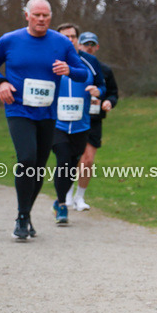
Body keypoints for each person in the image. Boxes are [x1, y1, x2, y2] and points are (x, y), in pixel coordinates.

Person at [0, 0, 90, 239]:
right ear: (27, 15)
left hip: (48, 112)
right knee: (27, 158)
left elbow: (83, 74)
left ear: (50, 17)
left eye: (46, 15)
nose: (41, 19)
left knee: (38, 168)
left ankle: (26, 213)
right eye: (37, 15)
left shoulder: (62, 42)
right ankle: (21, 217)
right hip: (18, 109)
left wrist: (69, 70)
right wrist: (1, 82)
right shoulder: (10, 40)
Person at [50, 25, 104, 225]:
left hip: (81, 125)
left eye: (73, 36)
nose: (70, 40)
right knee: (63, 161)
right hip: (57, 124)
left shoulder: (90, 62)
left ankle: (59, 199)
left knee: (72, 166)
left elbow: (103, 85)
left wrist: (98, 91)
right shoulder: (49, 60)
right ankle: (63, 204)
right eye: (66, 37)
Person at [68, 31, 118, 211]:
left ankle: (79, 197)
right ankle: (67, 193)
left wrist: (108, 102)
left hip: (94, 119)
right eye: (85, 43)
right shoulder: (71, 65)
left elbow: (112, 93)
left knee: (88, 160)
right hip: (73, 117)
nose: (89, 47)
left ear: (96, 47)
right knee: (72, 158)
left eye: (92, 44)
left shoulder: (103, 70)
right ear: (79, 46)